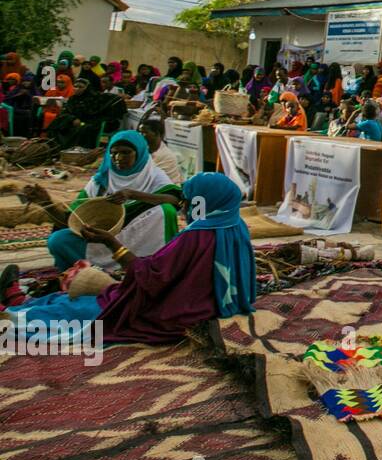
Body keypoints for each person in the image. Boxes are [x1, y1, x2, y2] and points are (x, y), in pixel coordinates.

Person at [8, 173, 256, 345]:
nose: (185, 205)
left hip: (170, 312)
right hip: (202, 304)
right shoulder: (234, 225)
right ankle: (17, 302)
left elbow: (149, 278)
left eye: (190, 200)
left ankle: (10, 316)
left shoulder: (195, 237)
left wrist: (112, 242)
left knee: (80, 308)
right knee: (76, 298)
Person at [26, 130, 182, 271]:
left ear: (139, 153)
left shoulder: (153, 175)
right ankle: (98, 273)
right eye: (113, 153)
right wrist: (46, 203)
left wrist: (132, 194)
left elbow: (174, 200)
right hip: (103, 242)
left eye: (126, 153)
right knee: (58, 240)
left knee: (165, 211)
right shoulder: (101, 181)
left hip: (142, 239)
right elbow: (71, 218)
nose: (118, 158)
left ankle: (149, 267)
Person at [46, 76, 126, 149]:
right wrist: (72, 119)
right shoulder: (73, 99)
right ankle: (55, 149)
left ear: (87, 88)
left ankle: (75, 151)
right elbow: (66, 112)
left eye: (80, 87)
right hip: (74, 121)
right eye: (75, 86)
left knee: (83, 129)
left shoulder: (94, 98)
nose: (77, 88)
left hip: (88, 122)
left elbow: (113, 101)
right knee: (56, 124)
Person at [139, 118, 184, 184]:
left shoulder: (166, 156)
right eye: (140, 132)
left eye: (144, 132)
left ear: (156, 133)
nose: (140, 135)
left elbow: (151, 180)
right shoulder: (145, 149)